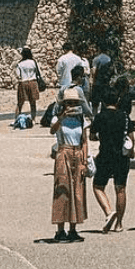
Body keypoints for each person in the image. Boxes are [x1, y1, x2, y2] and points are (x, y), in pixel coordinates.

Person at [48, 87, 90, 243]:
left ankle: (73, 228)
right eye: (69, 103)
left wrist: (85, 161)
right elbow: (52, 131)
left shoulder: (81, 119)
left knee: (77, 191)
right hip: (63, 152)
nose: (72, 105)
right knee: (62, 189)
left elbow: (85, 141)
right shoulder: (58, 118)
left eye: (74, 102)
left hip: (77, 153)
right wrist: (61, 117)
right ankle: (60, 230)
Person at [89, 93, 135, 233]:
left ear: (103, 101)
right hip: (121, 157)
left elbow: (92, 136)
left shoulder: (100, 116)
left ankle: (109, 212)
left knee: (98, 186)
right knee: (120, 188)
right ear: (118, 101)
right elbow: (130, 137)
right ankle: (119, 223)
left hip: (105, 155)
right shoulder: (124, 116)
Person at [12, 47, 42, 128]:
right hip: (33, 82)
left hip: (23, 82)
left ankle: (16, 118)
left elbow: (18, 75)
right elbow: (37, 72)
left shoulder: (20, 64)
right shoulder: (33, 62)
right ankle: (34, 118)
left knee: (20, 102)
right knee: (33, 102)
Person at [88, 44, 112, 112]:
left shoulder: (96, 59)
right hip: (106, 83)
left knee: (95, 103)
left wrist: (92, 82)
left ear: (99, 49)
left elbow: (94, 71)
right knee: (104, 102)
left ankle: (94, 116)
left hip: (97, 83)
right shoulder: (108, 59)